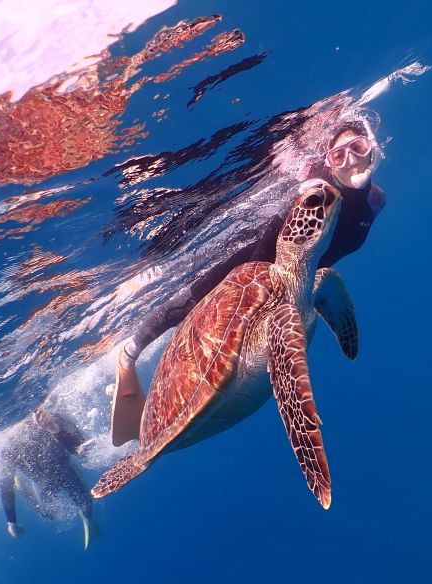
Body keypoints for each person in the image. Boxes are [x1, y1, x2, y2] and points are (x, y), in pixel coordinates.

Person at [109, 114, 387, 445]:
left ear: (372, 148)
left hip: (302, 270)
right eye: (338, 155)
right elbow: (297, 210)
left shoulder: (376, 201)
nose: (350, 160)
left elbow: (328, 266)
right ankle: (128, 352)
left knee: (320, 283)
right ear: (327, 162)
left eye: (356, 148)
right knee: (195, 298)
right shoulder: (316, 188)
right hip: (262, 256)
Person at [0, 407, 98, 549]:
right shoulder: (9, 447)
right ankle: (21, 484)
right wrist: (11, 521)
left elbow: (80, 451)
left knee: (87, 505)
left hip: (66, 469)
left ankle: (87, 519)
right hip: (41, 482)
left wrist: (53, 428)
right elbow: (5, 485)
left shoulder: (55, 418)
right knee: (48, 514)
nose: (26, 424)